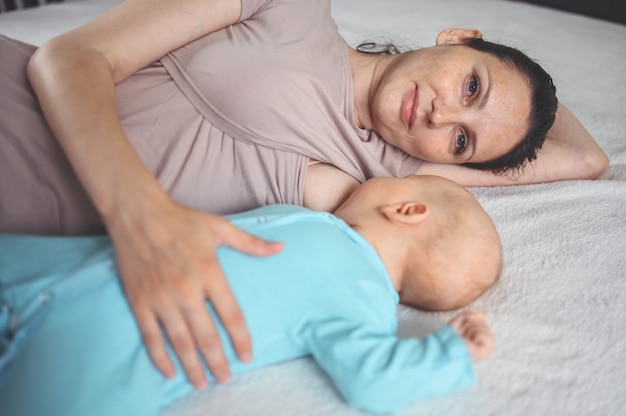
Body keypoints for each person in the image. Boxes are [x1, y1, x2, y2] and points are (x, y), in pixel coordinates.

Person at [0, 0, 606, 387]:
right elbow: (69, 56)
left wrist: (508, 118)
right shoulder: (288, 9)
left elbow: (585, 159)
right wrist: (138, 215)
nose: (443, 115)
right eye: (472, 84)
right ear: (458, 37)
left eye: (461, 141)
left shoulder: (385, 178)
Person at [0, 175, 500, 415]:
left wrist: (449, 352)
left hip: (122, 346)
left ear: (407, 209)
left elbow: (372, 381)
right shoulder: (315, 222)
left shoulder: (366, 297)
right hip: (85, 264)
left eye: (399, 176)